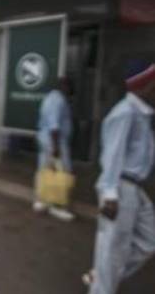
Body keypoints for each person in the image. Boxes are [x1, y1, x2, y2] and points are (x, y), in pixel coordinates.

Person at [84, 62, 155, 294]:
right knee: (112, 250)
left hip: (134, 188)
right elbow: (112, 155)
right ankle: (102, 283)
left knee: (149, 239)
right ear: (143, 85)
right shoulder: (125, 113)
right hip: (120, 187)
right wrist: (110, 194)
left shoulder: (141, 114)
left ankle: (101, 275)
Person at [33, 77, 75, 221]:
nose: (70, 91)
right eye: (69, 87)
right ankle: (57, 206)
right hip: (55, 142)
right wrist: (56, 147)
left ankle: (42, 201)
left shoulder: (49, 98)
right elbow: (54, 125)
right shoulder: (58, 100)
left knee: (45, 171)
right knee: (62, 173)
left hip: (46, 140)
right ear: (64, 86)